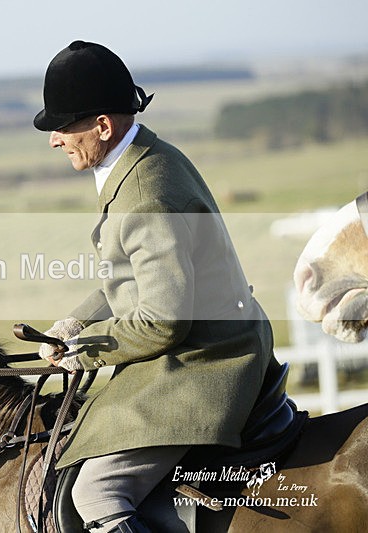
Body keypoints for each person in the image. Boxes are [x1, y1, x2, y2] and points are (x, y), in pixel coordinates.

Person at [33, 41, 277, 532]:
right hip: (200, 342)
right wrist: (76, 322)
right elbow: (129, 280)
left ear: (103, 125)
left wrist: (85, 349)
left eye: (64, 127)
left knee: (97, 490)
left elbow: (163, 321)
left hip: (206, 358)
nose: (55, 140)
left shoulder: (144, 194)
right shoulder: (144, 160)